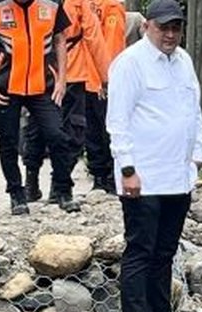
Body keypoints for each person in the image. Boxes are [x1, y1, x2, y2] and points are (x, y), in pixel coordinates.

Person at [106, 0, 202, 312]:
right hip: (143, 178)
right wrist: (128, 168)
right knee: (140, 254)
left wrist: (198, 153)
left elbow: (193, 111)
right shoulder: (130, 63)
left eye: (175, 27)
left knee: (165, 254)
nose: (170, 34)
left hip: (177, 176)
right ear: (147, 25)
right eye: (163, 27)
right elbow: (117, 120)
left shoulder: (183, 62)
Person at [0, 0, 78, 216]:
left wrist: (62, 79)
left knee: (57, 135)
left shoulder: (50, 4)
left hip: (43, 84)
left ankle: (63, 190)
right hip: (6, 85)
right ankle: (16, 194)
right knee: (8, 141)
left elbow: (60, 40)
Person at [21, 0, 112, 205]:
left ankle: (31, 182)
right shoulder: (78, 2)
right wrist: (105, 77)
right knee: (71, 130)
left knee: (36, 128)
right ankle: (58, 185)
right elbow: (93, 35)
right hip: (68, 72)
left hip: (39, 72)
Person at [84, 0, 127, 193]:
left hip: (104, 79)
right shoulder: (85, 5)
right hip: (86, 76)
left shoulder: (111, 8)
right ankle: (98, 175)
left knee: (107, 128)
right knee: (91, 130)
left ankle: (110, 175)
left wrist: (106, 78)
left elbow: (112, 45)